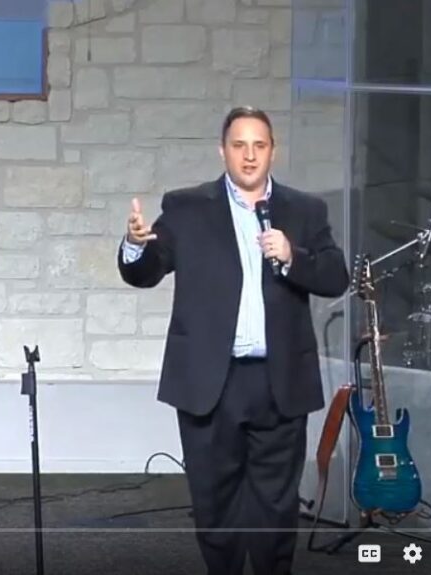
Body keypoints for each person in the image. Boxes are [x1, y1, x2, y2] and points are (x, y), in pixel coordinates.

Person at [117, 106, 349, 575]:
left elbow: (335, 277)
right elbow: (148, 270)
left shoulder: (305, 210)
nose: (249, 156)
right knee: (215, 502)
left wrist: (293, 255)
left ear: (272, 152)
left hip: (278, 381)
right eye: (239, 145)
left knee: (275, 508)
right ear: (222, 151)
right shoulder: (187, 206)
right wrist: (136, 245)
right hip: (211, 383)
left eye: (258, 146)